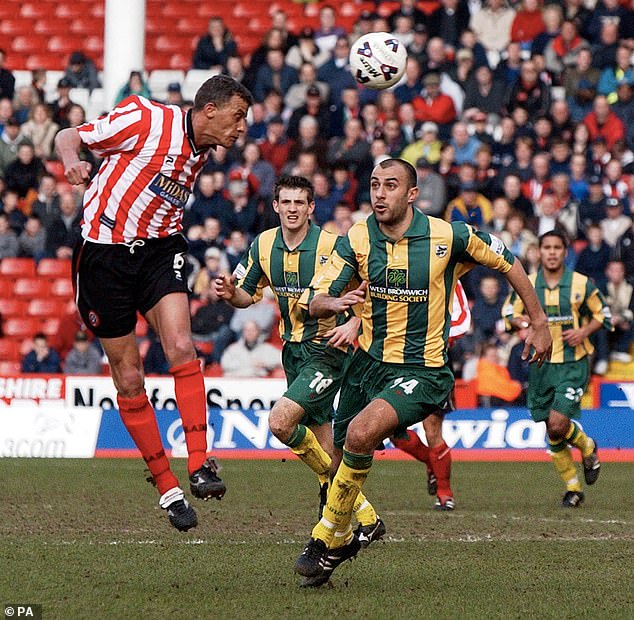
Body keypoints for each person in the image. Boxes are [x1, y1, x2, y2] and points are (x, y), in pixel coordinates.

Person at [293, 158, 552, 586]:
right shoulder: (357, 237)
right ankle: (348, 540)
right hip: (367, 365)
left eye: (390, 186)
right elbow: (316, 294)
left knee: (360, 434)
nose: (379, 193)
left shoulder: (447, 235)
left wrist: (539, 321)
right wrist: (330, 303)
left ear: (412, 194)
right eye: (374, 184)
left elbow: (508, 261)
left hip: (424, 368)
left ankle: (323, 539)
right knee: (339, 455)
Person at [54, 75, 253, 532]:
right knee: (129, 376)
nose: (242, 127)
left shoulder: (204, 150)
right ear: (209, 110)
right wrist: (72, 162)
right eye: (237, 116)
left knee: (182, 347)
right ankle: (168, 487)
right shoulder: (145, 117)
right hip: (104, 255)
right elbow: (71, 136)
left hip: (161, 249)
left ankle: (200, 463)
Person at [214, 175, 385, 568]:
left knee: (281, 421)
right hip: (293, 351)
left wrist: (355, 322)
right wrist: (230, 295)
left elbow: (369, 288)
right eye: (286, 201)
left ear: (311, 208)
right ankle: (363, 518)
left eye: (300, 202)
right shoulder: (263, 244)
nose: (292, 208)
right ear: (276, 206)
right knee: (326, 451)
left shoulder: (332, 245)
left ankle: (355, 512)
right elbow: (247, 293)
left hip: (328, 349)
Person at [503, 230, 612, 508]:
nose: (551, 252)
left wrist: (584, 330)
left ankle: (588, 446)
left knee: (557, 423)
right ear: (539, 252)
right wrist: (522, 323)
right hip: (540, 365)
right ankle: (573, 488)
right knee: (552, 431)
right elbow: (508, 313)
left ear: (566, 252)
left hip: (572, 364)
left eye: (557, 248)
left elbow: (604, 314)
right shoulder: (528, 283)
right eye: (546, 247)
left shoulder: (580, 284)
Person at [391, 279, 471, 510]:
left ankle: (445, 494)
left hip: (436, 361)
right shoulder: (395, 269)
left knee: (432, 429)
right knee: (393, 431)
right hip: (397, 359)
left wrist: (439, 338)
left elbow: (462, 319)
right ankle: (431, 461)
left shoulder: (447, 271)